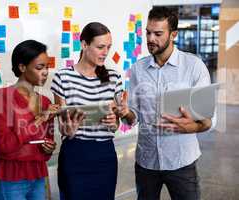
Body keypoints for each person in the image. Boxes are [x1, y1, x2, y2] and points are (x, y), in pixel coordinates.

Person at [117, 7, 212, 200]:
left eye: (158, 34)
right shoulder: (138, 69)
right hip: (146, 162)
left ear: (173, 34)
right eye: (148, 33)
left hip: (181, 162)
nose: (151, 39)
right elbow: (134, 116)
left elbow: (209, 120)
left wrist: (191, 126)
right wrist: (126, 112)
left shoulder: (194, 67)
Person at [50, 22, 123, 200]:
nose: (105, 52)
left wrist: (114, 123)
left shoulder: (114, 78)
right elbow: (63, 128)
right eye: (100, 47)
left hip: (105, 155)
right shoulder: (63, 77)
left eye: (108, 47)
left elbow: (116, 124)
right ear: (84, 45)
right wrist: (69, 129)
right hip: (75, 153)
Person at [0, 40, 59, 200]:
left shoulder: (45, 102)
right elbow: (5, 145)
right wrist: (40, 119)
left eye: (47, 67)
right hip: (11, 178)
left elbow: (46, 146)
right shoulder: (2, 97)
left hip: (38, 177)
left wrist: (48, 148)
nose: (45, 72)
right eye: (39, 67)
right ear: (22, 67)